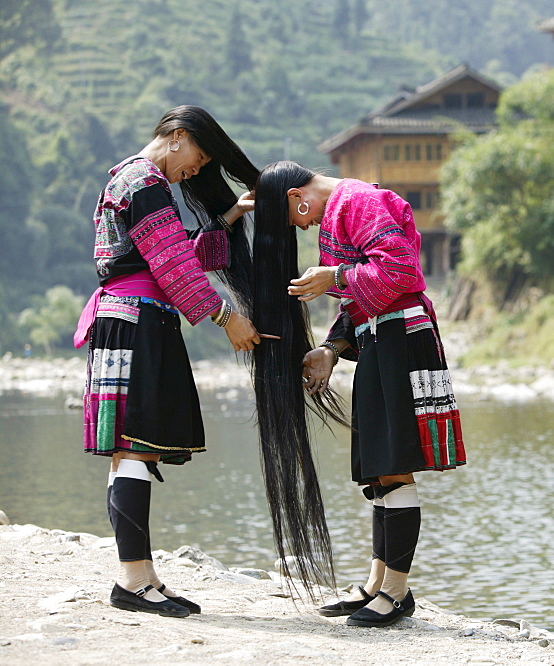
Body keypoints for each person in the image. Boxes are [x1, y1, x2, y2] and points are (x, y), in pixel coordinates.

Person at [251, 160, 466, 628]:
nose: (301, 226)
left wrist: (337, 277)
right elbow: (362, 300)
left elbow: (402, 272)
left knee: (393, 465)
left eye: (293, 219)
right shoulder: (339, 212)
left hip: (400, 341)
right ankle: (377, 583)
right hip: (379, 339)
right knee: (379, 469)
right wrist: (330, 348)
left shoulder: (359, 202)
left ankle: (397, 591)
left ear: (296, 197)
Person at [74, 105, 260, 618]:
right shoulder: (144, 180)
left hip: (129, 320)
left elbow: (169, 253)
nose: (196, 171)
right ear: (177, 136)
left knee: (133, 450)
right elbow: (172, 263)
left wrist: (230, 216)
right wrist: (229, 318)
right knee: (135, 449)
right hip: (138, 323)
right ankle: (134, 582)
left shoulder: (135, 180)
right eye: (199, 159)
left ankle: (141, 577)